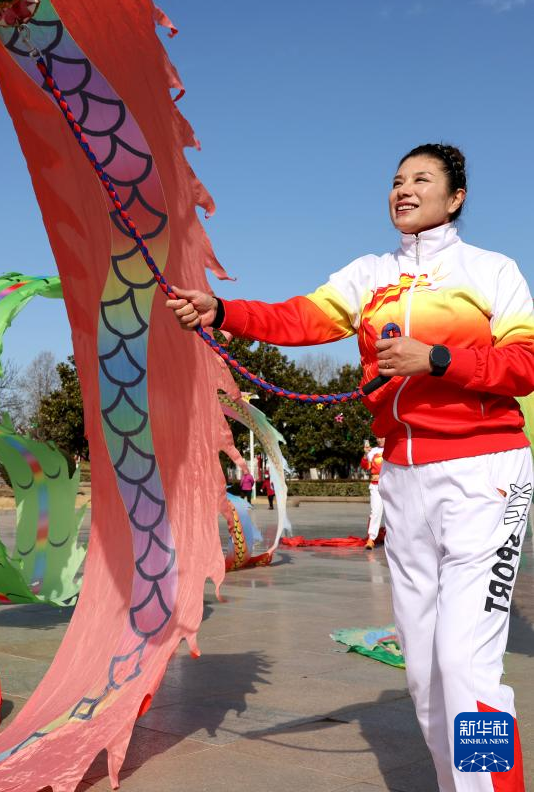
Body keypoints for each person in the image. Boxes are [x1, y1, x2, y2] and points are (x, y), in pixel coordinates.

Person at [166, 143, 534, 792]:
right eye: (397, 180)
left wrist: (437, 360)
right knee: (423, 672)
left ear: (455, 197)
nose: (403, 189)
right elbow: (299, 318)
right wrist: (222, 311)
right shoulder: (369, 275)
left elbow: (524, 365)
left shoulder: (491, 270)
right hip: (403, 479)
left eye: (422, 179)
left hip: (485, 472)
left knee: (465, 664)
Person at [360, 437, 385, 548]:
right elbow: (365, 466)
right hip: (376, 485)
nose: (380, 440)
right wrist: (366, 454)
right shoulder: (373, 451)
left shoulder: (393, 449)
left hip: (392, 485)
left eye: (382, 437)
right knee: (375, 511)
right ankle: (371, 538)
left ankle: (394, 538)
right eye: (378, 438)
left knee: (393, 513)